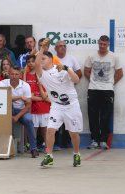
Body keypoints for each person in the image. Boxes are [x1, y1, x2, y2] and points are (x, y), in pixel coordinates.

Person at [35, 38, 83, 167]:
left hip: (71, 105)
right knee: (50, 130)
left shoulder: (61, 68)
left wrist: (67, 69)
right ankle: (49, 156)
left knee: (73, 133)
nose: (41, 61)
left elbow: (77, 80)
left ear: (51, 59)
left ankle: (76, 153)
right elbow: (36, 64)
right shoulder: (41, 74)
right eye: (41, 59)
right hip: (56, 106)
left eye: (43, 58)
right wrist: (42, 49)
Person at [84, 35, 123, 149]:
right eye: (100, 43)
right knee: (93, 116)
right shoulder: (91, 56)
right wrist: (93, 81)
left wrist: (110, 83)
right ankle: (95, 140)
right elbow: (86, 71)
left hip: (108, 91)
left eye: (104, 44)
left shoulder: (114, 57)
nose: (102, 46)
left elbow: (120, 73)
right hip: (93, 90)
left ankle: (104, 141)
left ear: (108, 45)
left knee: (106, 116)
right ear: (98, 43)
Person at [0, 66, 38, 158]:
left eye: (16, 74)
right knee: (8, 105)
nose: (14, 76)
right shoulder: (2, 83)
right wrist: (20, 97)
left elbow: (28, 105)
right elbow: (3, 99)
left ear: (20, 75)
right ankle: (4, 147)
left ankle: (33, 148)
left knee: (28, 120)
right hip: (6, 110)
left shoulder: (25, 85)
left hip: (21, 110)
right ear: (8, 74)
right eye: (12, 74)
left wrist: (17, 116)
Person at [54, 40, 83, 149]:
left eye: (64, 46)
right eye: (60, 46)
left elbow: (79, 73)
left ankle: (66, 142)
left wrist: (71, 81)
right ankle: (56, 143)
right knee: (56, 118)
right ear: (56, 48)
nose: (62, 48)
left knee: (69, 117)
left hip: (68, 93)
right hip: (55, 93)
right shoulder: (52, 59)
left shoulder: (72, 59)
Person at [24, 55, 50, 152]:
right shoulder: (26, 75)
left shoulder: (43, 74)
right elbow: (27, 94)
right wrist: (37, 98)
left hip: (44, 106)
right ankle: (32, 147)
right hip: (32, 108)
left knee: (45, 129)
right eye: (28, 62)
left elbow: (48, 91)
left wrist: (42, 97)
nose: (30, 63)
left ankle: (48, 147)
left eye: (32, 61)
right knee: (32, 129)